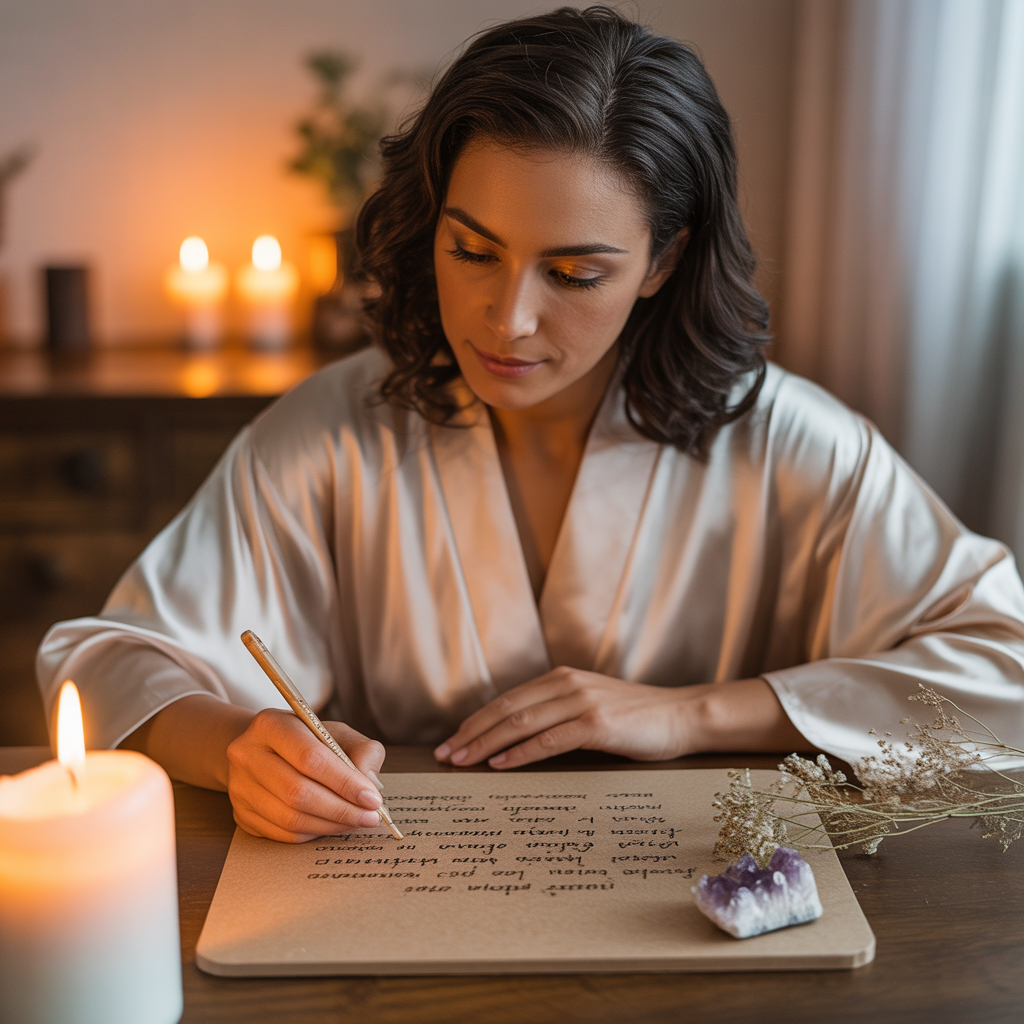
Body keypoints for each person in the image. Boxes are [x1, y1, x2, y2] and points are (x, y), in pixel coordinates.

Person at [38, 6, 1024, 843]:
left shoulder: (792, 445)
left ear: (663, 261)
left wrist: (692, 717)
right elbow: (106, 658)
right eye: (473, 252)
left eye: (573, 274)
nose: (506, 319)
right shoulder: (334, 431)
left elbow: (1004, 669)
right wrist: (234, 745)